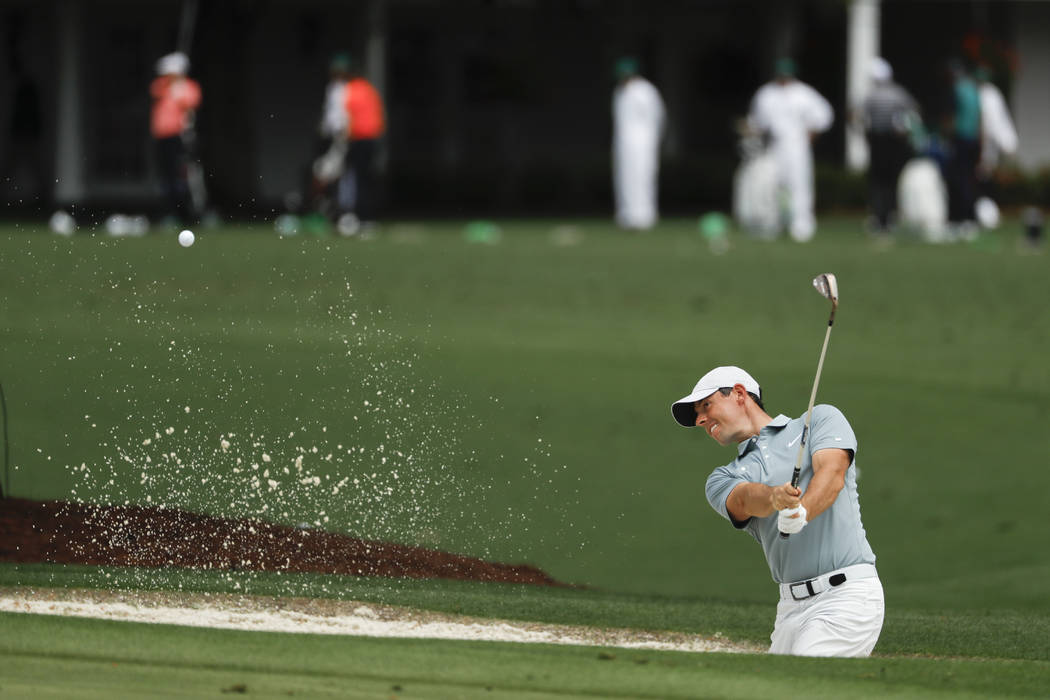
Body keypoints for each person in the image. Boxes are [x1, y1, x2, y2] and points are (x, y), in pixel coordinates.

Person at [671, 366, 883, 657]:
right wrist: (775, 498)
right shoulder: (721, 479)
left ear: (739, 394)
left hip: (846, 596)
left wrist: (802, 511)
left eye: (705, 405)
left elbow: (832, 474)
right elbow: (744, 500)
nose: (700, 420)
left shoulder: (819, 419)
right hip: (789, 610)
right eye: (696, 415)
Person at [747, 58, 833, 242]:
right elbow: (757, 122)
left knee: (799, 186)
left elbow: (824, 116)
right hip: (774, 146)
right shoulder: (766, 94)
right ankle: (772, 223)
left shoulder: (804, 93)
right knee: (770, 185)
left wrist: (810, 137)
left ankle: (802, 226)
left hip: (797, 146)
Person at [859, 57, 920, 235]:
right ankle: (889, 217)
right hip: (894, 141)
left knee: (878, 182)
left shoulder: (872, 95)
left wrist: (863, 133)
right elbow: (914, 110)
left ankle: (880, 218)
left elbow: (859, 116)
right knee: (891, 181)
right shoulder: (898, 93)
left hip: (879, 141)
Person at [611, 57, 665, 231]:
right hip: (623, 142)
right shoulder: (619, 91)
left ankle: (644, 216)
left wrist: (654, 139)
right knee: (625, 177)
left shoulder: (646, 90)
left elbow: (657, 116)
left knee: (643, 176)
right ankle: (626, 215)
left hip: (643, 142)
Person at [150, 51, 203, 225]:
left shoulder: (189, 87)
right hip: (162, 138)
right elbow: (154, 90)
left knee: (182, 176)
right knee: (166, 177)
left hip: (180, 137)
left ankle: (189, 214)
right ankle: (169, 212)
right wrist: (172, 87)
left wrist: (180, 92)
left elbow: (191, 102)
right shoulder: (163, 86)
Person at [339, 56, 386, 234]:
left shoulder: (349, 90)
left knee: (353, 180)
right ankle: (367, 217)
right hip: (372, 139)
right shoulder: (369, 89)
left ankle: (353, 216)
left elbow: (343, 118)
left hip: (356, 138)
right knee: (366, 179)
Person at [942, 60, 981, 232]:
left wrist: (946, 138)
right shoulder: (973, 89)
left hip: (961, 139)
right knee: (969, 180)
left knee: (958, 180)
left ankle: (959, 218)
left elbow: (951, 118)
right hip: (973, 140)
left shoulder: (957, 89)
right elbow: (980, 118)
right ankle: (970, 218)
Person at [976, 65, 1018, 203]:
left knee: (985, 178)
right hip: (992, 143)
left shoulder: (989, 95)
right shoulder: (990, 93)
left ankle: (988, 207)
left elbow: (993, 122)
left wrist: (1004, 144)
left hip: (990, 143)